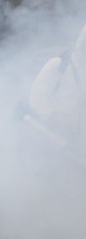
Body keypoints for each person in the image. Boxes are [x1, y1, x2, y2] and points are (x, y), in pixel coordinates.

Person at [26, 23, 86, 160]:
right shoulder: (59, 65)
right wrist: (54, 119)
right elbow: (36, 99)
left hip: (77, 149)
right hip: (51, 142)